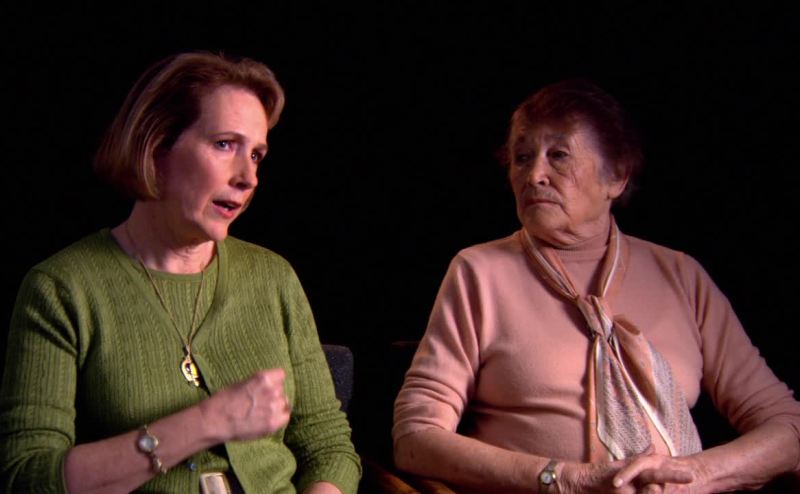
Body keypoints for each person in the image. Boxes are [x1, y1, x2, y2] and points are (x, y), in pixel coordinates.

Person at [392, 79, 800, 493]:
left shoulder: (680, 275)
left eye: (559, 156)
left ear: (617, 176)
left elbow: (788, 427)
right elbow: (415, 438)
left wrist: (693, 477)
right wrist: (566, 479)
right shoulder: (479, 272)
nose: (534, 175)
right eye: (522, 158)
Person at [0, 52, 361, 493]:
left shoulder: (273, 277)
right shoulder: (61, 288)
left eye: (256, 155)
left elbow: (327, 445)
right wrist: (207, 421)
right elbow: (28, 477)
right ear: (156, 147)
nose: (248, 177)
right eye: (224, 145)